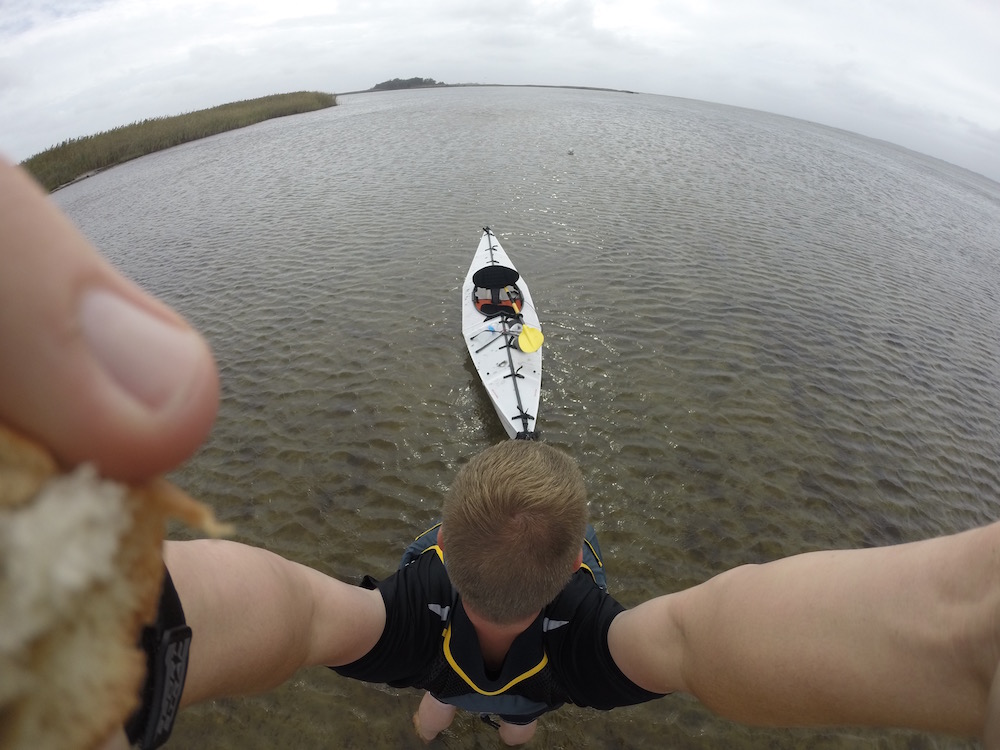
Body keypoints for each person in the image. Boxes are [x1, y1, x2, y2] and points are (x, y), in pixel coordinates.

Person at [2, 154, 1000, 749]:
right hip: (533, 685)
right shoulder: (589, 630)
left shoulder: (399, 612)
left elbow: (294, 610)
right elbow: (709, 635)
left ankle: (433, 730)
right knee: (523, 723)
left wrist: (65, 624)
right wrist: (973, 634)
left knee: (432, 711)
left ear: (438, 535)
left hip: (434, 673)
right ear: (575, 565)